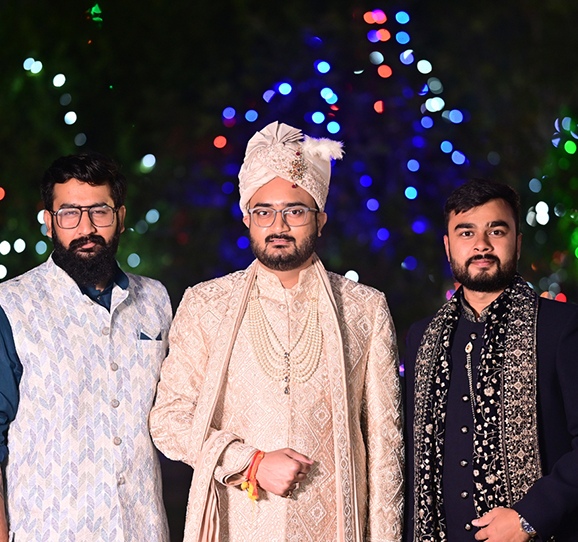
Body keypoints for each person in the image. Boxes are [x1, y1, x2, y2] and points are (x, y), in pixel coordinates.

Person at [149, 121, 404, 542]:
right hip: (240, 523)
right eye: (264, 211)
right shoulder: (206, 304)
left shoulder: (365, 308)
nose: (278, 224)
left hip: (334, 529)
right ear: (247, 218)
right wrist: (249, 461)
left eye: (295, 211)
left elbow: (385, 450)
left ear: (320, 220)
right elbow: (169, 420)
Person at [0, 152, 172, 541]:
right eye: (69, 213)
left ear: (120, 216)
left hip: (143, 530)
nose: (85, 227)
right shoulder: (5, 307)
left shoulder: (155, 300)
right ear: (49, 222)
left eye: (99, 211)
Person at [404, 178, 578, 541]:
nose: (481, 245)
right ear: (447, 247)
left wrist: (530, 516)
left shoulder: (563, 328)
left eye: (497, 230)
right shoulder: (421, 337)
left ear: (518, 244)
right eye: (466, 233)